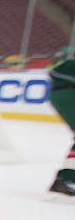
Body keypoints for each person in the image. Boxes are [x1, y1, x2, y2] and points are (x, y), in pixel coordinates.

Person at [48, 47, 75, 197]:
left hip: (63, 93)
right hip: (69, 93)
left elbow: (54, 72)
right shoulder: (69, 67)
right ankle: (66, 180)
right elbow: (56, 72)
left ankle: (67, 178)